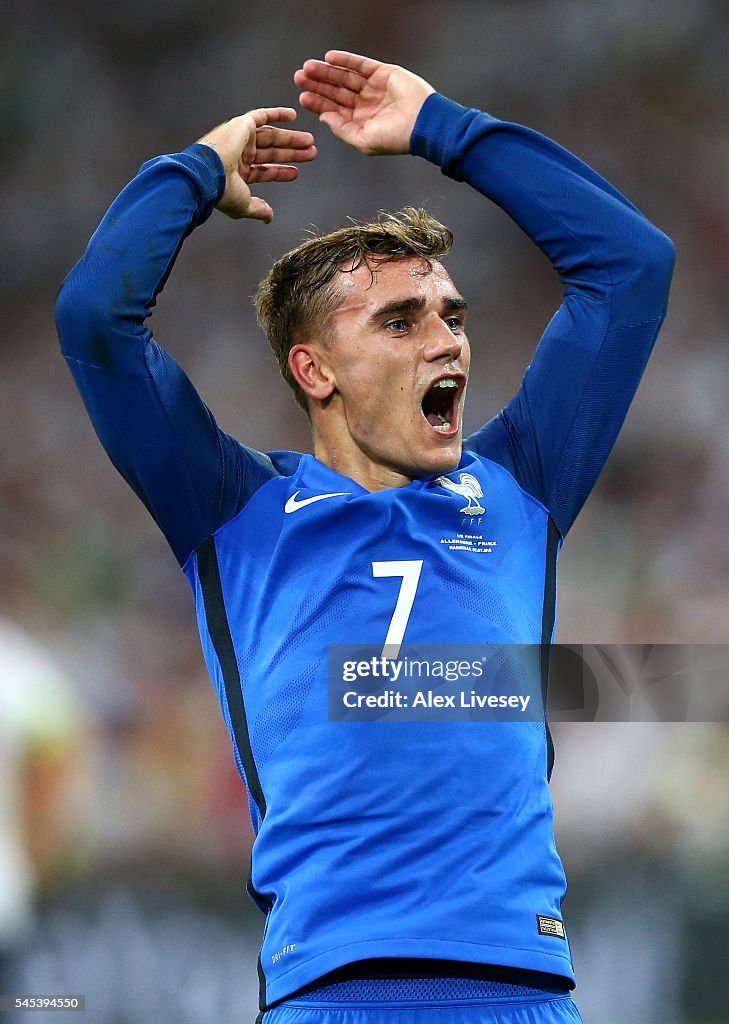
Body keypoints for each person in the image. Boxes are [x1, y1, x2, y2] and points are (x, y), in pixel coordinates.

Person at [56, 49, 674, 1024]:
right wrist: (191, 172)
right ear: (313, 369)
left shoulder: (520, 484)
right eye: (399, 320)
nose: (447, 340)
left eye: (452, 314)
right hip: (331, 993)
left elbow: (631, 268)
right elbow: (97, 317)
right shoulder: (231, 510)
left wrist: (445, 129)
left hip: (521, 987)